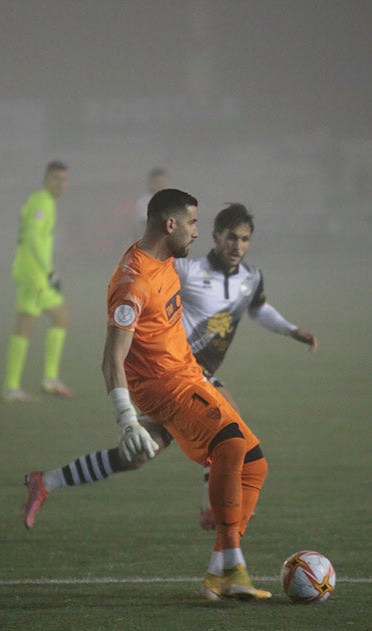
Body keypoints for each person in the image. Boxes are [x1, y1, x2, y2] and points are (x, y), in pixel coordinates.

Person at [25, 189, 273, 600]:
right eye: (193, 223)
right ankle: (231, 566)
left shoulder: (166, 262)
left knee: (254, 465)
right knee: (228, 447)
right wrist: (125, 419)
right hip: (167, 389)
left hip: (190, 377)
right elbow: (111, 358)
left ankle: (220, 570)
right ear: (170, 225)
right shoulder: (133, 282)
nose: (198, 232)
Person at [23, 202, 317, 532]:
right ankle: (213, 509)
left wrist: (291, 330)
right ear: (216, 237)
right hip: (174, 375)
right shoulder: (189, 271)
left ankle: (47, 481)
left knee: (137, 456)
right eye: (231, 238)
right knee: (230, 426)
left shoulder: (251, 278)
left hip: (188, 383)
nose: (238, 246)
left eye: (245, 239)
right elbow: (146, 275)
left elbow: (259, 310)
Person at [2, 161, 73, 402]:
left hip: (35, 273)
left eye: (64, 179)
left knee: (54, 319)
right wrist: (48, 270)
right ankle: (17, 386)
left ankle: (42, 380)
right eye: (56, 178)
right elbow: (32, 238)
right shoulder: (41, 202)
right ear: (45, 178)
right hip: (34, 274)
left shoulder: (45, 201)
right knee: (35, 322)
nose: (61, 183)